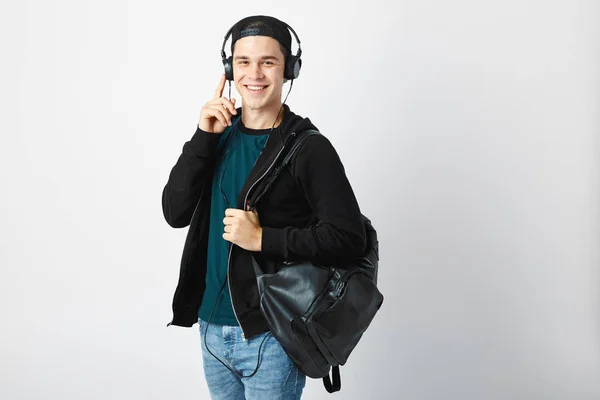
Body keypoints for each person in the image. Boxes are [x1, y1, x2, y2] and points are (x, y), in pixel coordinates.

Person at [161, 15, 366, 399]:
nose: (254, 73)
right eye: (243, 62)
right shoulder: (216, 136)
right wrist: (202, 136)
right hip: (210, 330)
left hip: (272, 334)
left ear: (290, 69)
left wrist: (262, 239)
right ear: (229, 68)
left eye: (268, 62)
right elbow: (174, 212)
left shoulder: (308, 148)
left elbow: (348, 239)